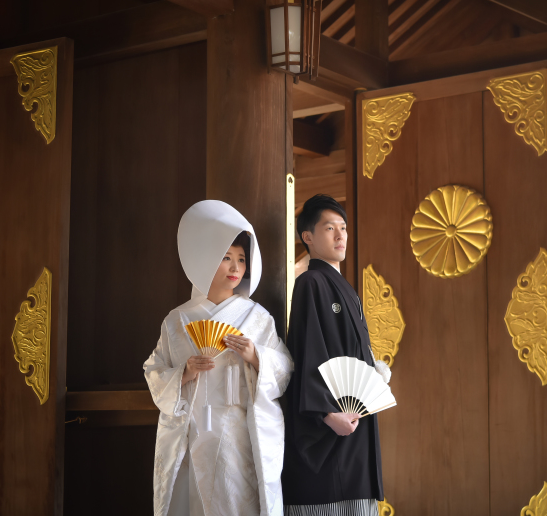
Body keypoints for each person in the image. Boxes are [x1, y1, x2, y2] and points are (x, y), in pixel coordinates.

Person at [144, 200, 294, 516]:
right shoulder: (177, 321)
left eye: (241, 259)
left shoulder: (257, 318)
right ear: (205, 259)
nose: (236, 267)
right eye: (226, 257)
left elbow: (284, 368)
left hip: (239, 433)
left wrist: (257, 357)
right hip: (193, 429)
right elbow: (154, 368)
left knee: (238, 499)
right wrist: (182, 373)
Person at [281, 195, 389, 516]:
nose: (341, 235)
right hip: (330, 423)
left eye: (343, 227)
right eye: (330, 228)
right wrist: (326, 414)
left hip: (351, 419)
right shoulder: (311, 282)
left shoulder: (344, 288)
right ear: (308, 237)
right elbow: (308, 350)